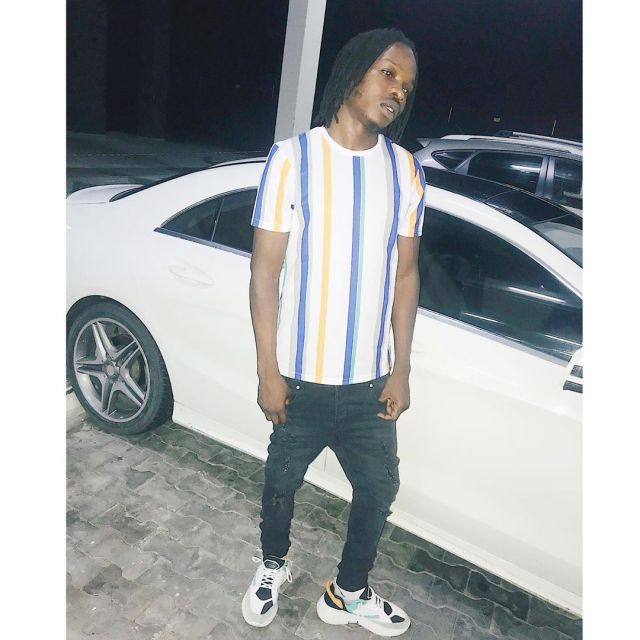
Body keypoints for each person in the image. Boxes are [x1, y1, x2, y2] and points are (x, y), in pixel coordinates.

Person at [242, 28, 425, 638]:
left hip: (369, 383)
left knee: (378, 488)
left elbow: (406, 275)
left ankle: (348, 592)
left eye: (406, 85)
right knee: (280, 483)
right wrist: (268, 371)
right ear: (352, 73)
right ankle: (273, 564)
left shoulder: (405, 170)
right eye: (387, 74)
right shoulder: (291, 159)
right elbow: (264, 274)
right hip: (299, 378)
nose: (396, 91)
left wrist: (401, 369)